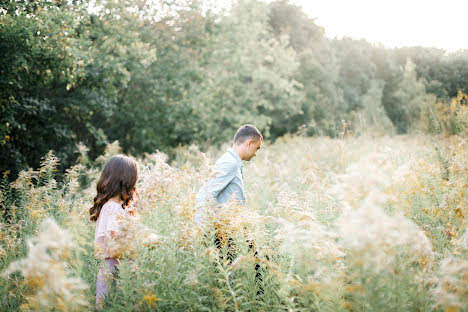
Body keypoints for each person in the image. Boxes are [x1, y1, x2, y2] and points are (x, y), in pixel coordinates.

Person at [89, 154, 139, 307]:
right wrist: (141, 243)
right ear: (126, 180)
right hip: (115, 275)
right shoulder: (112, 208)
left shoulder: (118, 207)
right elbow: (113, 249)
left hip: (117, 273)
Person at [194, 124, 263, 228]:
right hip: (222, 232)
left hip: (231, 229)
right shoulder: (230, 162)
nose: (255, 153)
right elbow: (204, 194)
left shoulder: (234, 162)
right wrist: (201, 232)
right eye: (257, 148)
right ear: (249, 143)